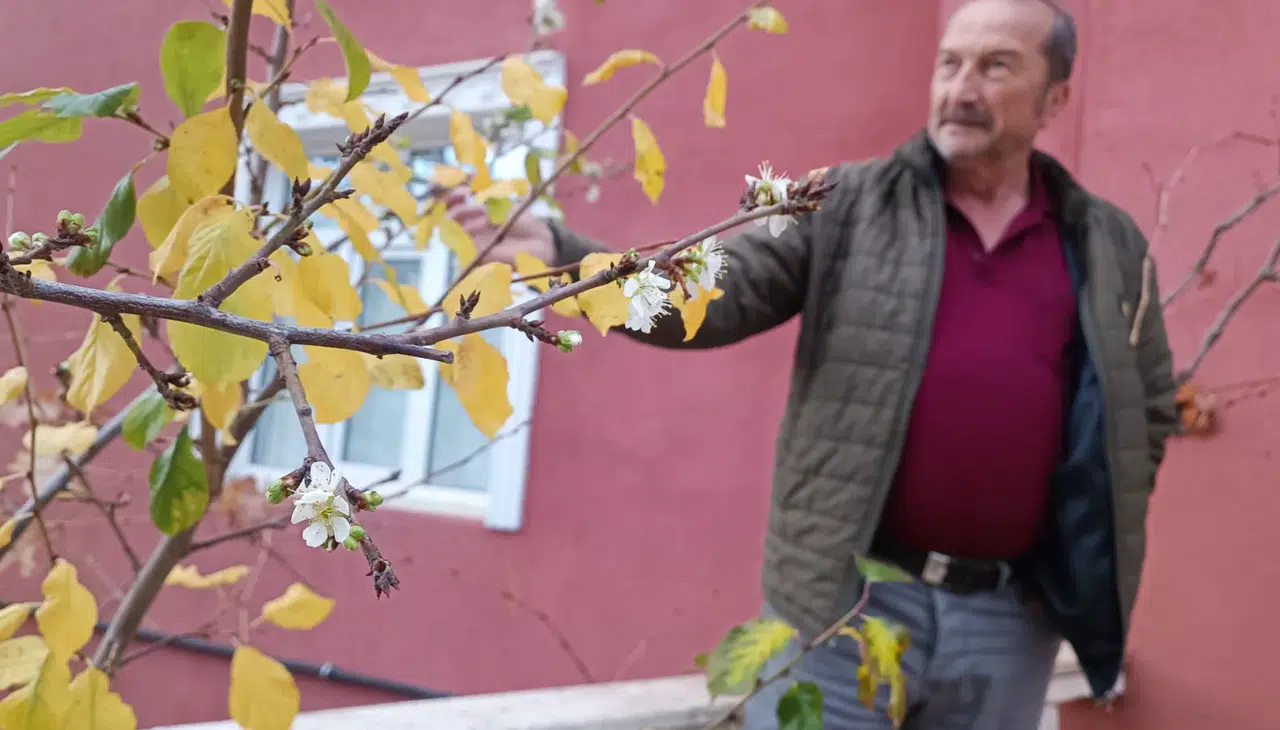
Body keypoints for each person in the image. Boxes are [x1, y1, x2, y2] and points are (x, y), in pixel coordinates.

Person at [444, 0, 1179, 726]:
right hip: (844, 602)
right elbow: (720, 297)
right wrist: (573, 259)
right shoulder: (847, 203)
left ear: (1055, 97)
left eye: (995, 67)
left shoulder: (1104, 243)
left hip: (1010, 619)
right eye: (949, 63)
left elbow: (1143, 407)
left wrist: (1075, 541)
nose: (960, 89)